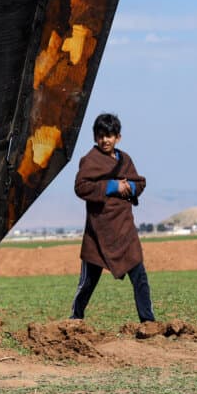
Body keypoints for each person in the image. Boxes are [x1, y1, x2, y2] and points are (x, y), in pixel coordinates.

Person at [70, 113, 155, 323]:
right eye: (100, 136)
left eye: (109, 135)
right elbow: (81, 187)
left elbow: (140, 183)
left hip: (124, 229)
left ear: (118, 137)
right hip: (99, 232)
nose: (105, 140)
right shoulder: (89, 160)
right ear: (95, 137)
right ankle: (75, 319)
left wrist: (130, 187)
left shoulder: (125, 159)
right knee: (87, 282)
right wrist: (112, 186)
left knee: (140, 277)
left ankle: (148, 322)